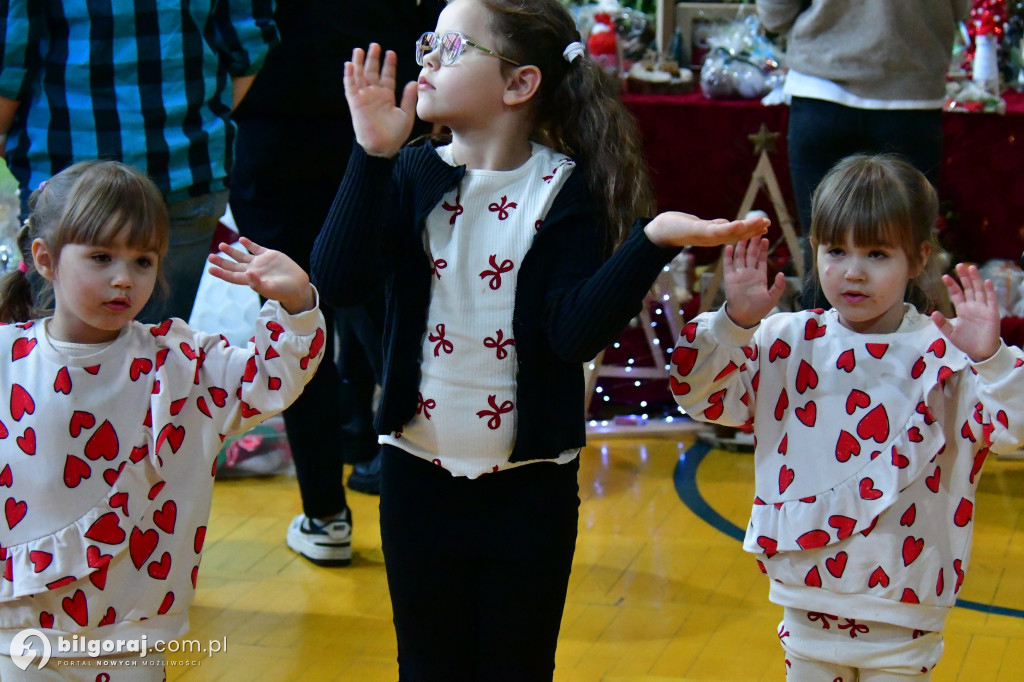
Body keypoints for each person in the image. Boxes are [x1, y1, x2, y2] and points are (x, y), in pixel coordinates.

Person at [309, 0, 770, 677]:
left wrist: (649, 242)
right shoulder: (410, 173)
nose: (427, 59)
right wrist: (371, 155)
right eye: (429, 42)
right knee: (427, 666)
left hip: (530, 493)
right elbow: (336, 281)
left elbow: (570, 333)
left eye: (452, 47)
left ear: (519, 83)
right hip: (415, 476)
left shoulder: (564, 190)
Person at [668, 154, 1024, 680]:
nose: (853, 271)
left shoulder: (947, 356)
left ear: (918, 258)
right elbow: (700, 396)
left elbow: (1014, 432)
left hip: (906, 610)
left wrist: (991, 358)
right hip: (804, 606)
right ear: (815, 249)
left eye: (877, 253)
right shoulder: (786, 340)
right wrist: (732, 324)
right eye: (836, 250)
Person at [0, 160, 325, 679]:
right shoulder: (6, 359)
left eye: (143, 261)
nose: (123, 279)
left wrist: (296, 301)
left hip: (133, 634)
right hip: (15, 631)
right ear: (45, 259)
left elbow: (272, 378)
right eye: (101, 257)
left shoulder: (181, 365)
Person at [229, 1, 443, 564]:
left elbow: (230, 31)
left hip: (291, 132)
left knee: (303, 321)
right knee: (387, 312)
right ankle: (422, 495)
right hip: (378, 114)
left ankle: (327, 514)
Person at [0, 0, 279, 323]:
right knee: (158, 346)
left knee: (61, 347)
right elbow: (249, 34)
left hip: (68, 173)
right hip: (184, 161)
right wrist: (201, 119)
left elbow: (11, 53)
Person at [755, 0, 970, 307]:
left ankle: (818, 337)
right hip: (911, 88)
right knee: (902, 255)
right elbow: (961, 9)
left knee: (827, 249)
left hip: (823, 86)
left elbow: (775, 13)